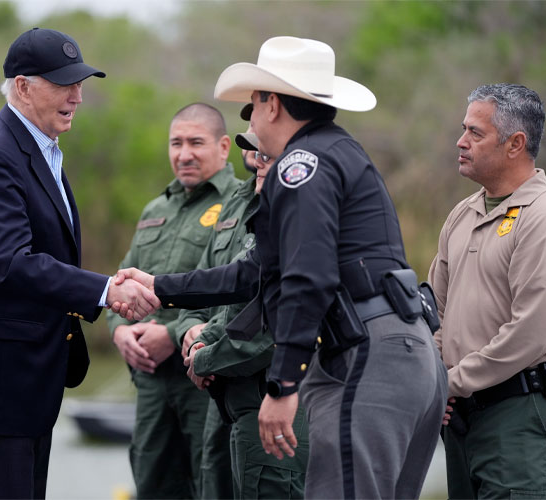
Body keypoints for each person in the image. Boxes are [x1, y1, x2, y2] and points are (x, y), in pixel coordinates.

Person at [115, 36, 448, 499]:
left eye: (253, 105)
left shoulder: (301, 165)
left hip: (367, 357)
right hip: (403, 353)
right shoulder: (335, 151)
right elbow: (254, 273)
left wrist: (283, 384)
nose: (250, 119)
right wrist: (161, 287)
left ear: (272, 104)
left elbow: (305, 280)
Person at [0, 28, 159, 500]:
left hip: (27, 383)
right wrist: (106, 290)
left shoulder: (40, 149)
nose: (77, 96)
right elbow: (12, 263)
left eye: (80, 83)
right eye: (63, 84)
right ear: (22, 86)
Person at [429, 83, 546, 499]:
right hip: (460, 417)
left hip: (521, 417)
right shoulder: (463, 213)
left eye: (475, 132)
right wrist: (436, 379)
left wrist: (450, 382)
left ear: (515, 144)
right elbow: (436, 311)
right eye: (463, 129)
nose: (461, 141)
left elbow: (530, 334)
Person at [106, 102, 241, 499]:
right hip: (150, 384)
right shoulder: (154, 209)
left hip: (205, 380)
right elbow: (122, 276)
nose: (184, 154)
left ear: (223, 147)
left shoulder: (239, 205)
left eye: (196, 143)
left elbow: (241, 288)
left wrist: (171, 332)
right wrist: (118, 332)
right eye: (176, 143)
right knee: (151, 482)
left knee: (212, 483)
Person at [179, 120, 310, 499]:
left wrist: (204, 359)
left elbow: (272, 326)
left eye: (267, 152)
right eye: (254, 149)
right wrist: (194, 337)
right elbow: (218, 290)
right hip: (232, 398)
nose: (256, 158)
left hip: (276, 400)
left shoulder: (301, 220)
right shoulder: (243, 205)